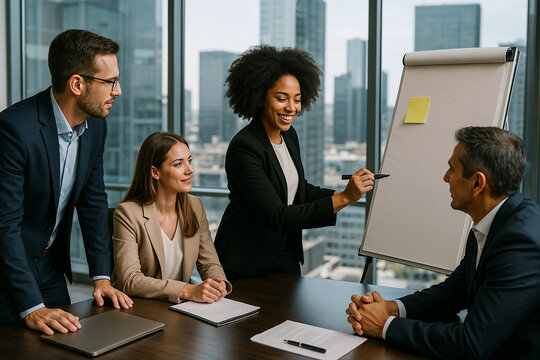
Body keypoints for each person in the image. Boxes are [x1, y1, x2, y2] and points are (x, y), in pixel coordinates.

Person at [346, 126, 540, 359]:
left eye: (452, 169)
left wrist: (383, 325)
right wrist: (390, 308)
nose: (445, 178)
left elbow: (470, 344)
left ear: (478, 183)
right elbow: (454, 292)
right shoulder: (496, 221)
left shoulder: (520, 243)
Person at [0, 29, 133, 335]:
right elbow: (4, 224)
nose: (118, 90)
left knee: (73, 341)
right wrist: (32, 308)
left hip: (48, 268)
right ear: (77, 83)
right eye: (110, 81)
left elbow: (93, 201)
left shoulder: (96, 128)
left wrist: (101, 276)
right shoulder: (14, 129)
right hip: (6, 271)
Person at [214, 45, 374, 279]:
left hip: (285, 253)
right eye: (281, 98)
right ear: (259, 98)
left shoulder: (289, 135)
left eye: (297, 100)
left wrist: (345, 193)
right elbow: (277, 215)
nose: (291, 108)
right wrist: (344, 198)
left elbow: (300, 188)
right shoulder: (245, 147)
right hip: (246, 262)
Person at [113, 132, 231, 303]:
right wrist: (187, 290)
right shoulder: (127, 213)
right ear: (155, 172)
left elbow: (209, 263)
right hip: (137, 308)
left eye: (189, 161)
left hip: (180, 307)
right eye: (178, 164)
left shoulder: (195, 206)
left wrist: (218, 284)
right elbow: (130, 280)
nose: (190, 170)